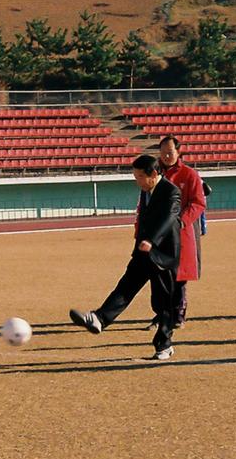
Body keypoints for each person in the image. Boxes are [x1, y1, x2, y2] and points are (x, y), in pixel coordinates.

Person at [70, 154, 182, 361]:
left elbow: (170, 217)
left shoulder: (171, 191)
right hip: (142, 251)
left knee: (163, 303)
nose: (136, 180)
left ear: (153, 174)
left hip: (162, 254)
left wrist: (152, 240)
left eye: (139, 176)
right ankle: (98, 319)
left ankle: (164, 345)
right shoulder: (146, 191)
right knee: (126, 287)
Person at [151, 136, 205, 328]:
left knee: (179, 277)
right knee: (158, 276)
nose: (166, 155)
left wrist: (181, 221)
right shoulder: (154, 173)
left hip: (180, 233)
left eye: (170, 152)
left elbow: (198, 203)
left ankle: (179, 315)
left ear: (178, 152)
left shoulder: (189, 174)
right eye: (163, 152)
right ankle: (160, 315)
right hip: (157, 234)